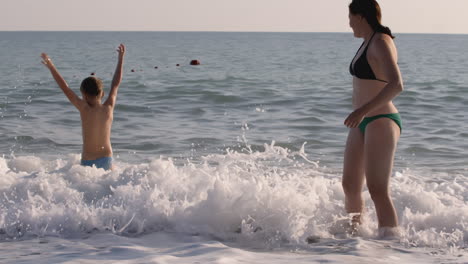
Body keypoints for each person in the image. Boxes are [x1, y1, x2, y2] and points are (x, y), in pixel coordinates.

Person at [342, 0, 403, 237]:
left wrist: (361, 110)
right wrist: (360, 114)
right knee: (349, 185)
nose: (348, 24)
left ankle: (390, 242)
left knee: (378, 189)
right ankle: (355, 236)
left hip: (381, 119)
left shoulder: (380, 42)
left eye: (350, 18)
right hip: (362, 121)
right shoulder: (367, 41)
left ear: (360, 16)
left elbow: (396, 85)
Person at [41, 44, 126, 170]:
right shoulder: (108, 107)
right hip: (106, 158)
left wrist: (51, 66)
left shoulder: (84, 108)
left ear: (83, 94)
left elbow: (65, 88)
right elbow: (115, 84)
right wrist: (120, 59)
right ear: (102, 93)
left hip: (88, 161)